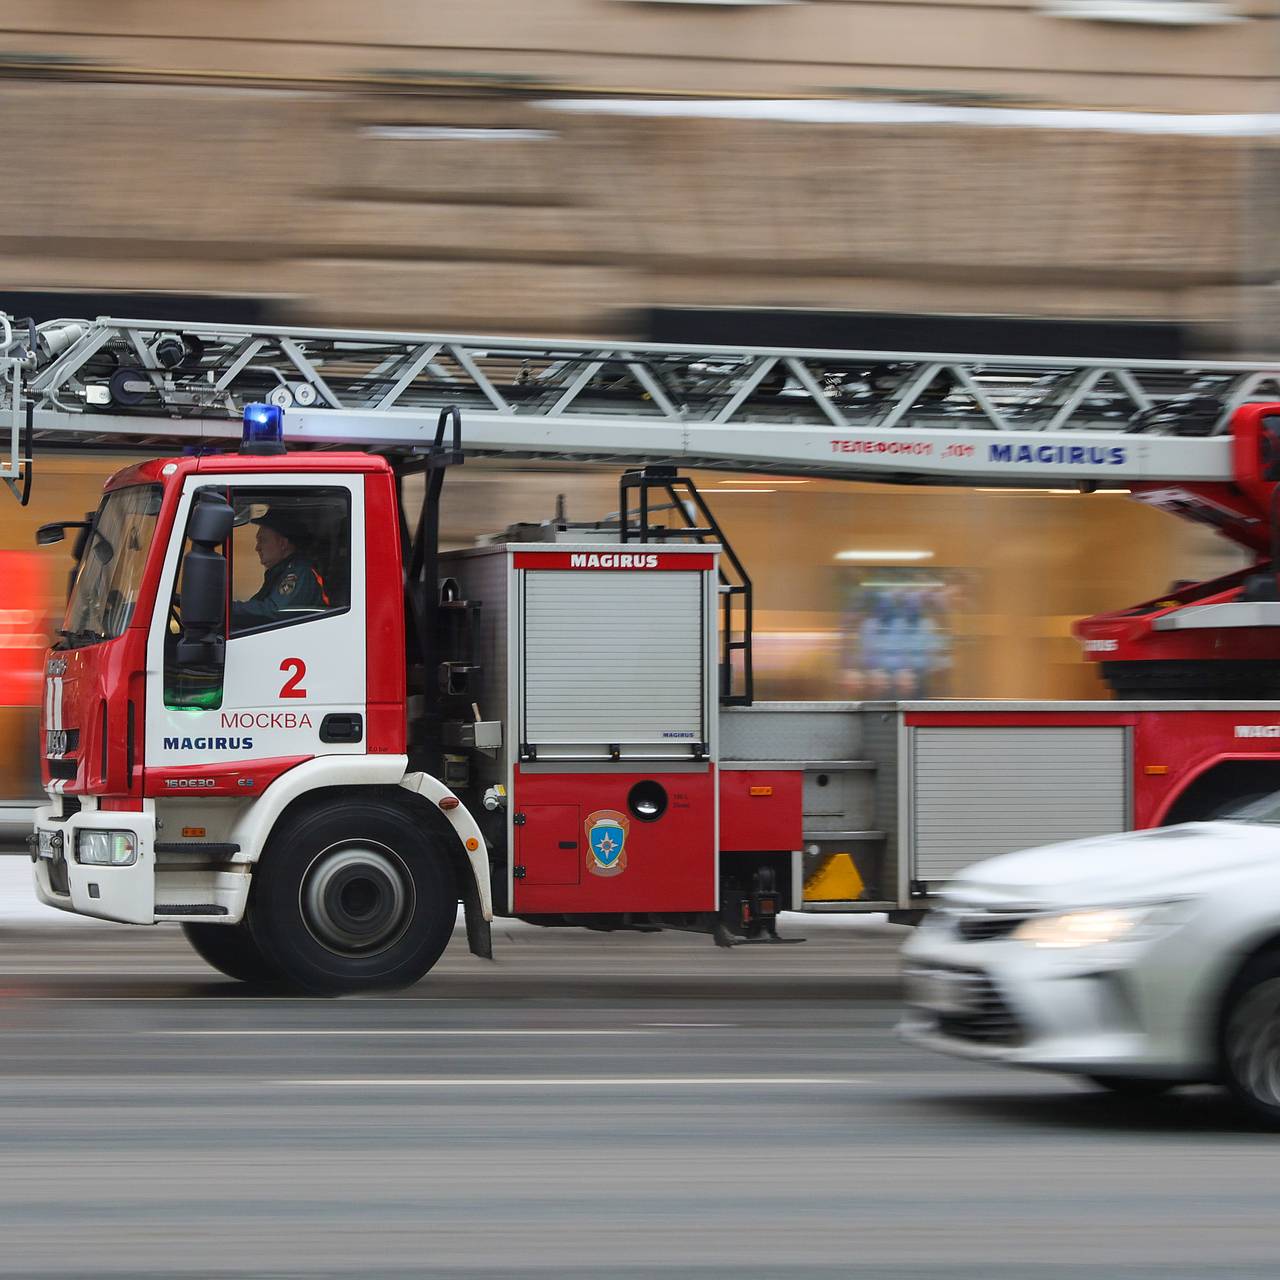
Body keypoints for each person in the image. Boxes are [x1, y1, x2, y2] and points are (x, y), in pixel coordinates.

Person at [231, 507, 329, 630]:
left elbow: (272, 612)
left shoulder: (299, 571)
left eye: (263, 540)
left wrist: (228, 609)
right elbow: (257, 608)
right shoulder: (279, 572)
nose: (257, 548)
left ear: (283, 544)